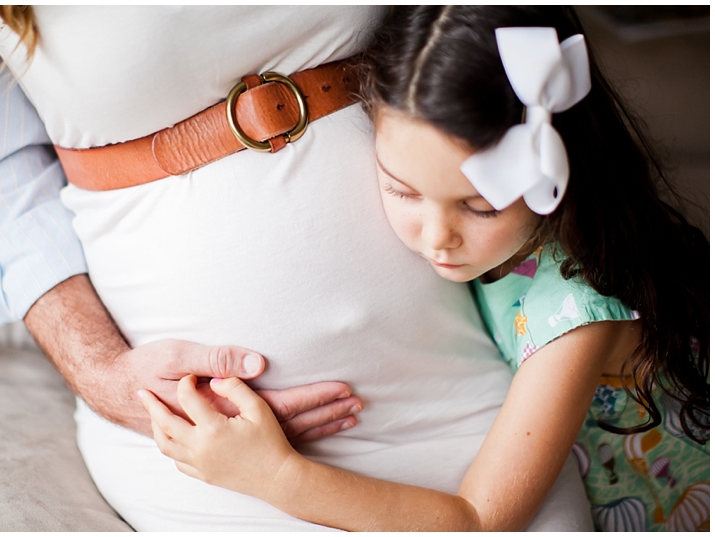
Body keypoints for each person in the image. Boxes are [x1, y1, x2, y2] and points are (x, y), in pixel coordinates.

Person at [0, 6, 593, 531]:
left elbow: (488, 49)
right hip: (218, 454)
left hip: (468, 409)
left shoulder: (577, 312)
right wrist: (98, 369)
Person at [139, 6, 710, 532]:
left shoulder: (576, 311)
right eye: (402, 190)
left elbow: (480, 520)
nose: (437, 238)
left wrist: (273, 475)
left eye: (480, 206)